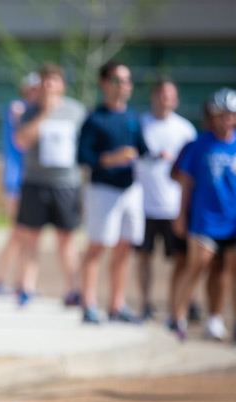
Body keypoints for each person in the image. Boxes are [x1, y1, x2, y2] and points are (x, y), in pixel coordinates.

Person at [170, 88, 236, 343]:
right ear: (213, 116)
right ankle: (178, 318)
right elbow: (185, 182)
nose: (226, 119)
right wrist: (180, 215)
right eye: (221, 114)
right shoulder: (199, 145)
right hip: (205, 219)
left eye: (231, 115)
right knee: (198, 266)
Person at [77, 60, 149, 324]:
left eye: (128, 80)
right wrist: (111, 159)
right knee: (98, 246)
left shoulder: (133, 117)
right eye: (119, 80)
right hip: (102, 190)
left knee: (125, 247)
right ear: (105, 83)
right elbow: (82, 156)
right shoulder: (94, 119)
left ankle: (118, 305)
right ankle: (88, 305)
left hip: (131, 190)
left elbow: (143, 150)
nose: (125, 86)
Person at [12, 63, 87, 307]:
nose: (49, 86)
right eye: (45, 81)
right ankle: (26, 288)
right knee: (30, 238)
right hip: (35, 183)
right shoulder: (30, 111)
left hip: (67, 184)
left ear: (62, 85)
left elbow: (85, 147)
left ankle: (74, 290)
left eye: (53, 81)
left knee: (66, 239)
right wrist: (45, 113)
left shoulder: (77, 111)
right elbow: (21, 141)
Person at [134, 78, 197, 321]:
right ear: (153, 96)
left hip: (174, 206)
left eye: (170, 94)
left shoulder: (185, 129)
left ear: (177, 99)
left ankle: (184, 302)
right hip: (144, 204)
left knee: (183, 259)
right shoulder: (140, 125)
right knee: (144, 256)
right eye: (160, 93)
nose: (165, 98)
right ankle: (146, 303)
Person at [0, 71, 40, 295]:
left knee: (26, 233)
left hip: (29, 179)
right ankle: (0, 279)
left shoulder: (32, 111)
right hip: (16, 179)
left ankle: (23, 283)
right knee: (19, 231)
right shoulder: (19, 108)